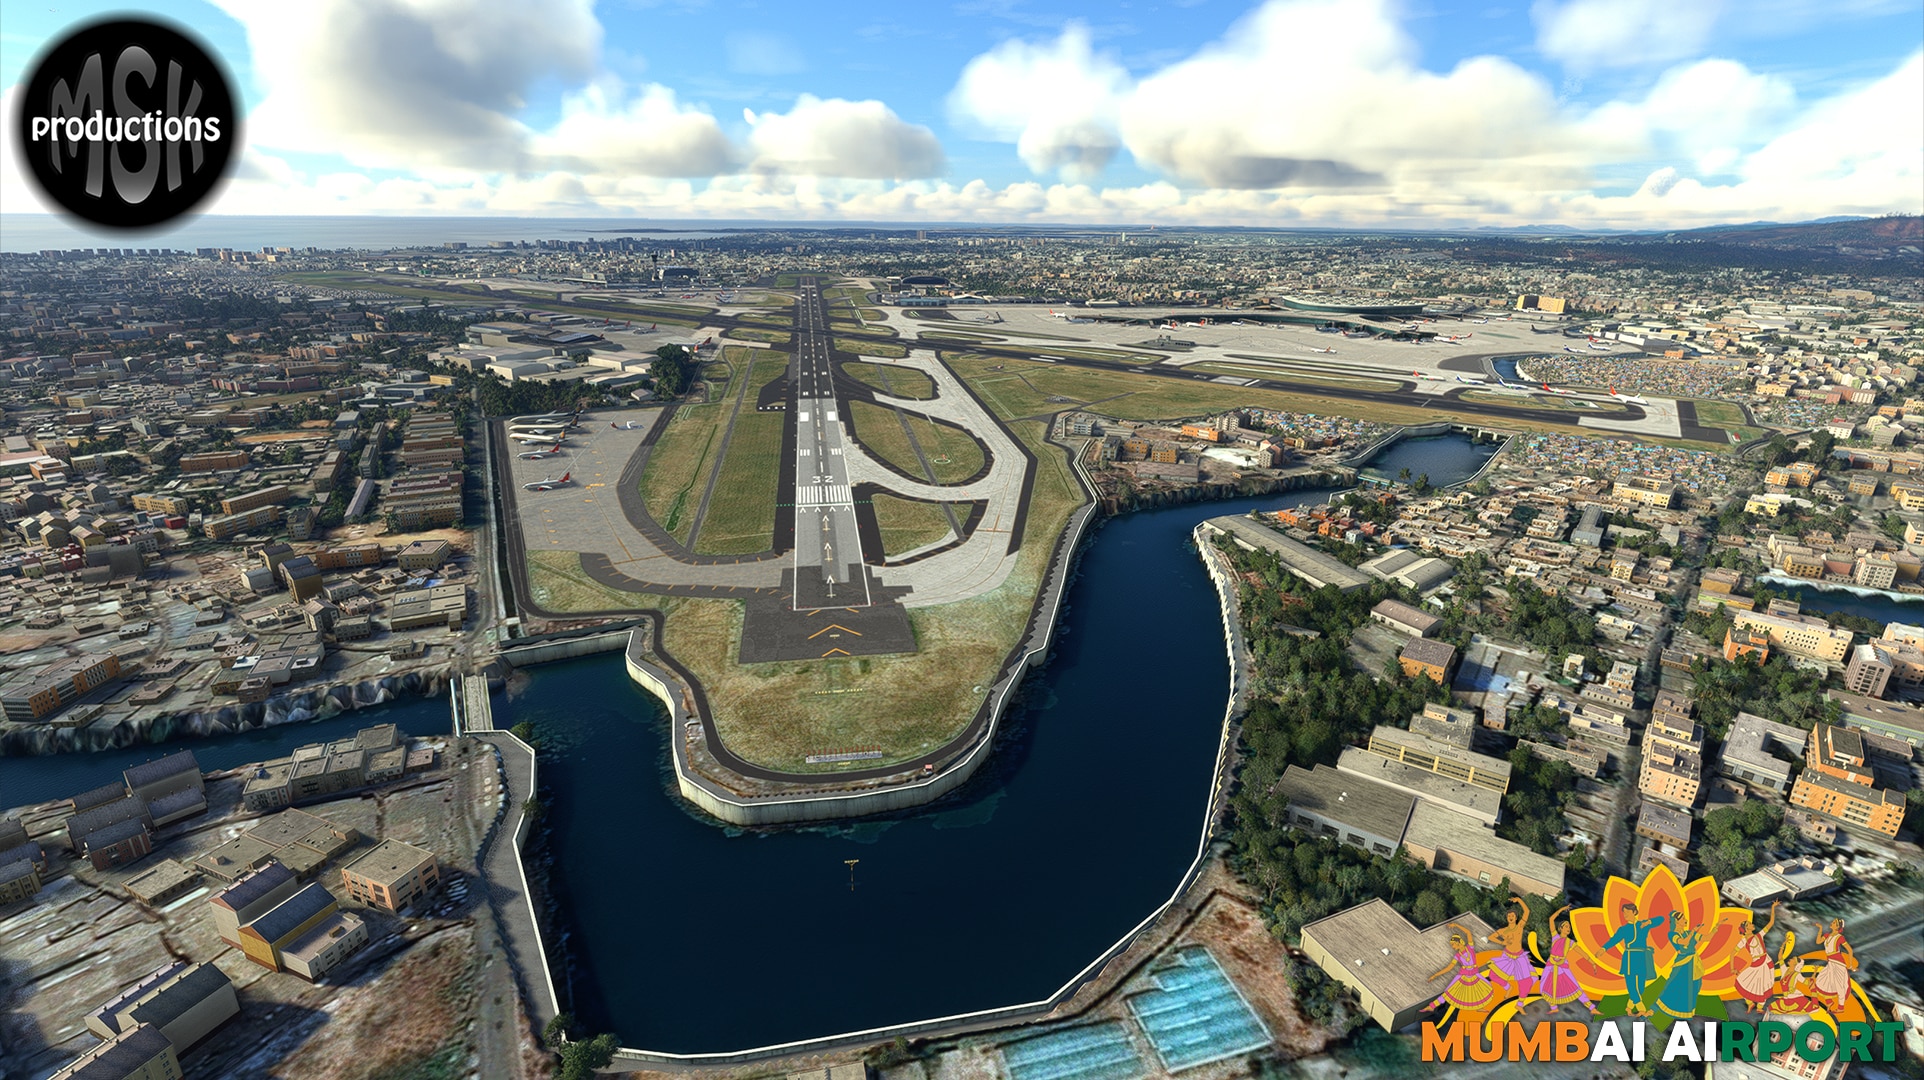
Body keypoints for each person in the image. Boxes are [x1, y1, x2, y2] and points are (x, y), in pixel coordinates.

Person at [1599, 901, 1667, 1015]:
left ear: (1634, 912)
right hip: (1630, 958)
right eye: (1624, 913)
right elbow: (1614, 940)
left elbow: (1661, 919)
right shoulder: (1623, 929)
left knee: (1640, 988)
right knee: (1631, 985)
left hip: (1642, 958)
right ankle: (1641, 1009)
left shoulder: (1643, 925)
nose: (1625, 915)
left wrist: (1649, 921)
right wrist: (1604, 948)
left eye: (1627, 912)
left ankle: (1629, 1007)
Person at [1429, 924, 1500, 1014]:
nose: (1452, 947)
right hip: (1463, 974)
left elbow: (1468, 932)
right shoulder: (1457, 956)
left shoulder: (1470, 948)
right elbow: (1449, 967)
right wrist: (1435, 975)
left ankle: (1479, 1007)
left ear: (1458, 942)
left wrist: (1456, 925)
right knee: (1449, 990)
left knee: (1483, 988)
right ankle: (1432, 1006)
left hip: (1474, 973)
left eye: (1453, 944)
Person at [1537, 906, 1596, 1014]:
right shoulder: (1555, 937)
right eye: (1566, 926)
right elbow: (1551, 919)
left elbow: (1581, 952)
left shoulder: (1570, 942)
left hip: (1562, 965)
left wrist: (1592, 962)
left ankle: (1592, 1008)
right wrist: (1562, 909)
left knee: (1575, 986)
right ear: (1560, 928)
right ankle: (1554, 1007)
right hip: (1551, 965)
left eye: (1569, 927)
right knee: (1546, 986)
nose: (1568, 928)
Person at [1727, 903, 1779, 1015]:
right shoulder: (1744, 941)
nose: (1752, 924)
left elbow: (1771, 923)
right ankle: (1750, 1003)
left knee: (1764, 986)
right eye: (1749, 924)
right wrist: (1732, 968)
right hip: (1756, 964)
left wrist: (1773, 908)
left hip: (1766, 962)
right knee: (1743, 982)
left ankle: (1760, 1007)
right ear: (1746, 929)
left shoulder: (1759, 935)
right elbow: (1732, 953)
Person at [1656, 911, 1706, 1020]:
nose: (1685, 920)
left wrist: (1716, 927)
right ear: (1676, 921)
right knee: (1676, 985)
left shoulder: (1688, 933)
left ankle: (1688, 1011)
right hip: (1683, 963)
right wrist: (1693, 931)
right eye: (1683, 918)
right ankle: (1661, 1008)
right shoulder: (1672, 934)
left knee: (1695, 985)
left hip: (1693, 962)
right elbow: (1684, 942)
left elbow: (1706, 938)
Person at [1486, 896, 1538, 998]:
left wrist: (1519, 900)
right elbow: (1491, 937)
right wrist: (1502, 942)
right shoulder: (1503, 930)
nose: (1511, 917)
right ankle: (1508, 987)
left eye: (1513, 916)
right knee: (1493, 974)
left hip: (1519, 956)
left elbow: (1527, 912)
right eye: (1509, 916)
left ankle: (1521, 1000)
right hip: (1507, 956)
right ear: (1507, 918)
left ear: (1516, 918)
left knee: (1527, 980)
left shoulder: (1519, 927)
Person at [1811, 919, 1855, 1010]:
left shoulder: (1840, 937)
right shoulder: (1827, 935)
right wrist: (1820, 929)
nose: (1831, 923)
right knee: (1822, 980)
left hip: (1838, 962)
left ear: (1838, 927)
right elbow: (1818, 942)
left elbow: (1850, 950)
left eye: (1834, 923)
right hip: (1830, 962)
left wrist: (1850, 965)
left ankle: (1841, 1007)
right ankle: (1829, 1002)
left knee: (1839, 985)